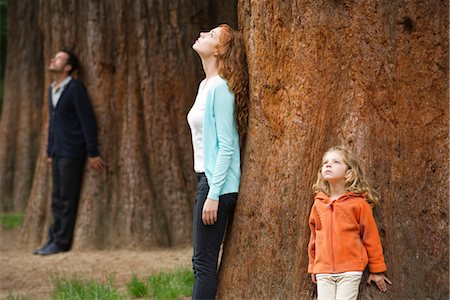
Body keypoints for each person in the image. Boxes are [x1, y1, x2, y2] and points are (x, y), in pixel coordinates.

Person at [187, 24, 249, 299]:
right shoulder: (205, 85)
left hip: (217, 187)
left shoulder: (222, 88)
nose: (202, 35)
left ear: (220, 51)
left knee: (203, 264)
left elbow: (227, 145)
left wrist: (213, 194)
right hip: (208, 181)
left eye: (210, 36)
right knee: (201, 263)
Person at [33, 48, 104, 256]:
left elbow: (87, 121)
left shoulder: (75, 88)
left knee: (66, 198)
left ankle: (62, 242)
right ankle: (53, 238)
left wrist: (92, 152)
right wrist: (49, 150)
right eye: (54, 57)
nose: (53, 59)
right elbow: (53, 124)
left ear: (68, 67)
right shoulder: (51, 89)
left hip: (73, 152)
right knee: (56, 197)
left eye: (59, 58)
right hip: (57, 152)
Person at [308, 146, 392, 300]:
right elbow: (314, 238)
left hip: (350, 269)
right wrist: (313, 266)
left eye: (335, 162)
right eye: (325, 162)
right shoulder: (318, 204)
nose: (328, 164)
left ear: (348, 172)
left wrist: (377, 269)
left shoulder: (359, 204)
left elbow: (371, 238)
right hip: (323, 271)